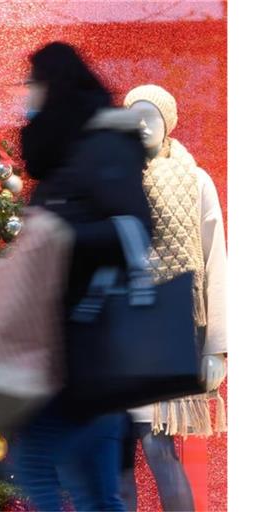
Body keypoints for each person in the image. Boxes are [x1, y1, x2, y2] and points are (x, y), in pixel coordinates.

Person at [14, 41, 151, 511]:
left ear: (53, 85)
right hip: (73, 348)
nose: (27, 95)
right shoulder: (74, 150)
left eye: (33, 83)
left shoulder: (101, 148)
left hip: (81, 345)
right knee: (95, 490)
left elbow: (133, 229)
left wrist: (57, 232)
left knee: (32, 462)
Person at [119, 84, 227, 511]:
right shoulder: (108, 182)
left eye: (152, 116)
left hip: (165, 336)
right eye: (135, 116)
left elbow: (213, 257)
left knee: (160, 450)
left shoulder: (194, 181)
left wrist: (217, 348)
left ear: (168, 125)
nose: (142, 124)